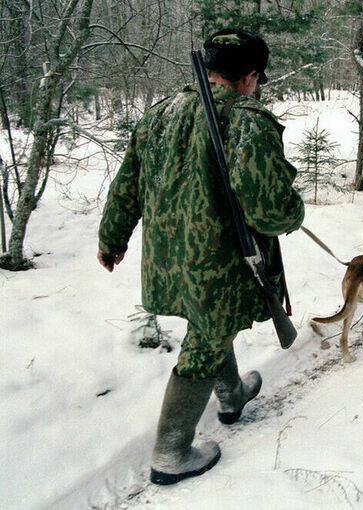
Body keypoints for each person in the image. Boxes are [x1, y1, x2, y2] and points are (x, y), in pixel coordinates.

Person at [97, 28, 304, 485]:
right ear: (249, 76)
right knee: (205, 339)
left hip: (170, 257)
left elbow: (126, 186)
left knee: (211, 326)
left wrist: (112, 238)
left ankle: (231, 395)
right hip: (220, 263)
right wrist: (295, 211)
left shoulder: (159, 114)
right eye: (257, 78)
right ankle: (170, 452)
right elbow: (269, 211)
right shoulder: (247, 119)